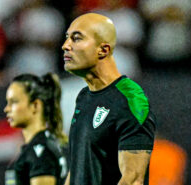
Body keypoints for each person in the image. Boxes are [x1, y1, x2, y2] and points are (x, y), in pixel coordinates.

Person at [62, 13, 157, 185]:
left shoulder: (131, 98)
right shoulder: (84, 96)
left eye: (76, 39)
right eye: (67, 38)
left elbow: (133, 179)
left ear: (103, 50)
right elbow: (78, 168)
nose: (65, 46)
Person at [4, 73, 68, 185]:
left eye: (14, 102)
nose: (6, 109)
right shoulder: (37, 148)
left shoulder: (40, 153)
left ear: (35, 105)